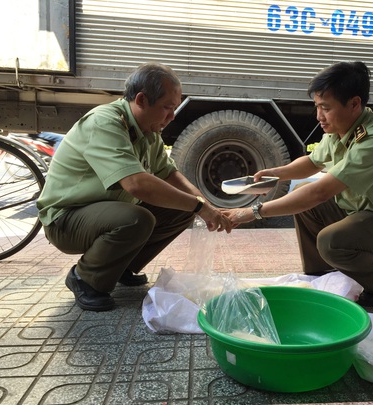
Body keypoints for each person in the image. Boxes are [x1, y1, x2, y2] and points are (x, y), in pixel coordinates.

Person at [223, 61, 373, 307]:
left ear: (354, 104)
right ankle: (323, 277)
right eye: (317, 107)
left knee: (331, 240)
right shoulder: (340, 128)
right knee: (302, 197)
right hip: (364, 212)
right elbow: (313, 162)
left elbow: (320, 192)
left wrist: (253, 212)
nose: (319, 116)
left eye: (325, 108)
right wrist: (276, 173)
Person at [37, 63, 232, 312]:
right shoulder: (104, 123)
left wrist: (206, 206)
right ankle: (85, 278)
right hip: (66, 220)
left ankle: (120, 266)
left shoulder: (148, 131)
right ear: (141, 99)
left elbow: (169, 173)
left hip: (103, 212)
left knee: (183, 208)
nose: (172, 117)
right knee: (136, 219)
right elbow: (136, 184)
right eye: (167, 108)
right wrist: (199, 206)